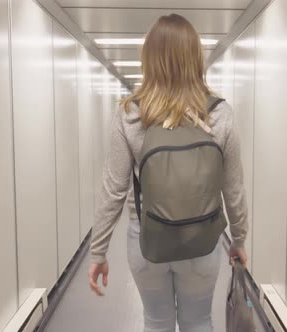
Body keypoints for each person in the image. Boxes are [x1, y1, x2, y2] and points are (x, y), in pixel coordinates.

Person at [87, 13, 249, 332]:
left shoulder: (131, 114)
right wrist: (239, 238)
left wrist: (98, 251)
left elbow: (113, 191)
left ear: (149, 59)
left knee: (156, 322)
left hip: (147, 240)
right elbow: (234, 189)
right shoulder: (219, 114)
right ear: (195, 59)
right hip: (202, 239)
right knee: (199, 321)